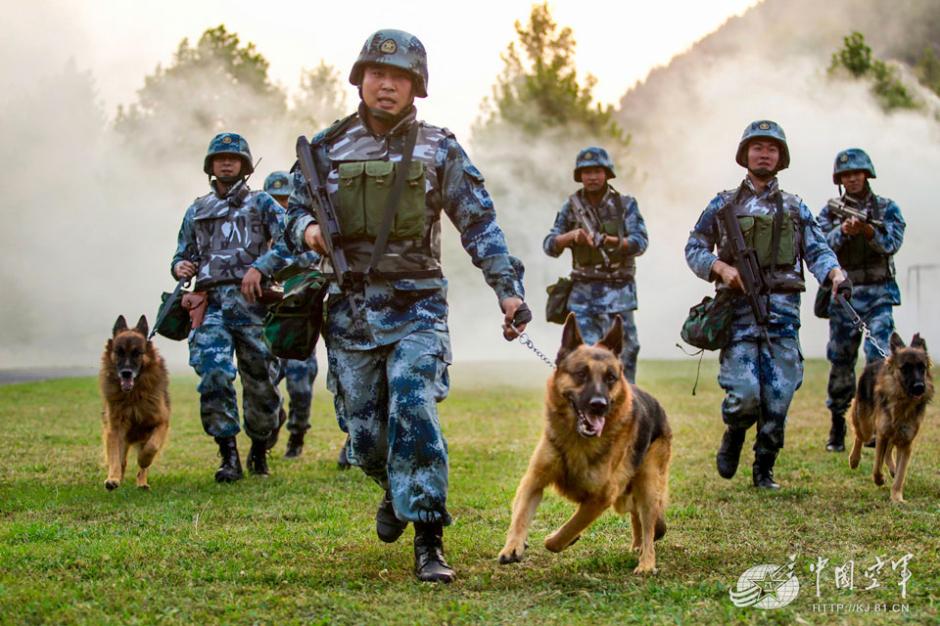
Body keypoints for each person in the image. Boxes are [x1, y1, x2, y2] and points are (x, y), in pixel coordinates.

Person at [283, 29, 527, 583]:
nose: (386, 85)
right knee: (365, 438)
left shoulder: (439, 148)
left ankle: (429, 540)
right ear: (360, 80)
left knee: (414, 408)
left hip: (417, 307)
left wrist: (507, 291)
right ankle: (396, 490)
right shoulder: (324, 150)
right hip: (350, 314)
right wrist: (306, 229)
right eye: (376, 74)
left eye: (398, 77)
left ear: (416, 86)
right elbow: (286, 216)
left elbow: (479, 223)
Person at [684, 120, 846, 489]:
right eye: (757, 147)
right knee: (744, 395)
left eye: (771, 148)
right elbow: (694, 247)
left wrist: (835, 274)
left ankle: (764, 468)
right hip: (738, 313)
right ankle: (735, 432)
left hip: (782, 315)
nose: (764, 153)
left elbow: (817, 250)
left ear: (780, 157)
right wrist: (719, 267)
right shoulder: (723, 203)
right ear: (745, 155)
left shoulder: (794, 206)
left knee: (778, 397)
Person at [171, 133, 287, 482]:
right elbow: (182, 253)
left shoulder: (263, 203)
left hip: (253, 305)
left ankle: (259, 445)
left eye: (233, 159)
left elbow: (291, 242)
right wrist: (180, 267)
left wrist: (262, 266)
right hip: (211, 307)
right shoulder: (197, 209)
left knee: (262, 386)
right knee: (214, 373)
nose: (225, 163)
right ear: (210, 166)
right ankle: (228, 455)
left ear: (244, 166)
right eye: (219, 158)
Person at [817, 148, 905, 452]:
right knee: (841, 361)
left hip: (879, 295)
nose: (852, 178)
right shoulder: (830, 212)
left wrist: (867, 231)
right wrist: (843, 231)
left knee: (879, 360)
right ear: (839, 179)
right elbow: (818, 247)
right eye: (846, 174)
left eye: (856, 173)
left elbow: (891, 243)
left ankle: (876, 424)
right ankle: (838, 426)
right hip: (845, 296)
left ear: (866, 174)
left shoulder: (886, 208)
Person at [543, 146, 648, 382]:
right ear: (579, 175)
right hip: (583, 294)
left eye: (597, 171)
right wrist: (572, 237)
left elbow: (640, 242)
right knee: (584, 355)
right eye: (586, 171)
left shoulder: (625, 205)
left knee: (625, 352)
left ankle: (625, 405)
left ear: (607, 173)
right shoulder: (571, 207)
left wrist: (610, 241)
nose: (592, 177)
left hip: (619, 292)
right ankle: (587, 406)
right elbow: (550, 244)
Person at [263, 171, 320, 459]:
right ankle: (273, 422)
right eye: (275, 201)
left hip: (299, 323)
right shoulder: (259, 240)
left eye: (286, 200)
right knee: (265, 383)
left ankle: (297, 434)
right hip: (269, 323)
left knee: (300, 385)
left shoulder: (306, 236)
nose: (281, 206)